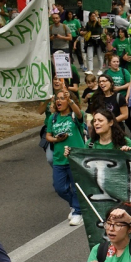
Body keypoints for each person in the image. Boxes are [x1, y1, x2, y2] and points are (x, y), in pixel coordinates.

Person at [45, 91, 86, 226]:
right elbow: (48, 136)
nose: (59, 101)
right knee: (59, 188)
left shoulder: (74, 115)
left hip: (75, 157)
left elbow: (80, 114)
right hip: (59, 158)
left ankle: (78, 212)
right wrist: (57, 139)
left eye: (62, 99)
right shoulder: (53, 118)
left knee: (76, 187)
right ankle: (74, 205)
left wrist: (71, 101)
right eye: (57, 99)